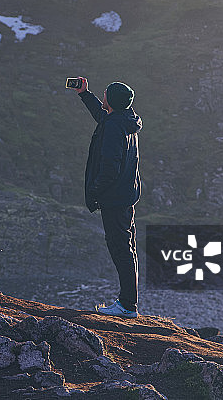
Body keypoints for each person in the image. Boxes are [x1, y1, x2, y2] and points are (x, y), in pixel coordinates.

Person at [70, 77, 142, 318]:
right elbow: (103, 118)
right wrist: (84, 94)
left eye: (104, 94)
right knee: (126, 248)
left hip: (114, 199)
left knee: (120, 249)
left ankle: (127, 306)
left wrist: (96, 192)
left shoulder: (114, 125)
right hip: (125, 196)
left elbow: (110, 166)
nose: (103, 96)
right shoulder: (123, 121)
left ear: (111, 99)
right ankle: (128, 302)